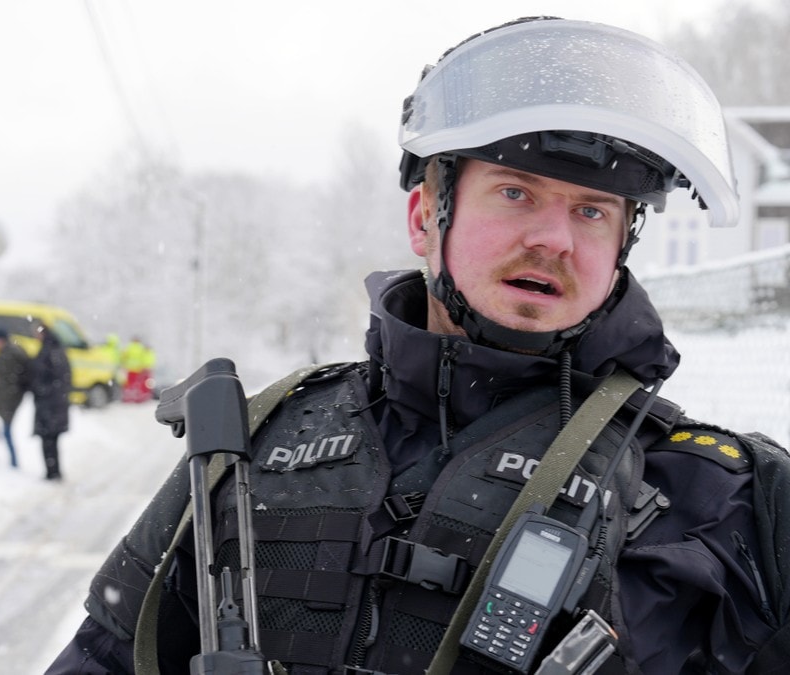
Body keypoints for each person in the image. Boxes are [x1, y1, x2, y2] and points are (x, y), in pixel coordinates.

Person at [45, 17, 790, 675]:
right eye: (516, 192)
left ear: (621, 246)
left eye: (592, 211)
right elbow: (108, 655)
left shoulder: (722, 499)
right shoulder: (253, 445)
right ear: (425, 216)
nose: (554, 239)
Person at [31, 324, 72, 481]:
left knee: (49, 440)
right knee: (51, 440)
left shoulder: (50, 352)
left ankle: (52, 472)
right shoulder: (55, 350)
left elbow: (56, 378)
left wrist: (41, 390)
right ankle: (53, 471)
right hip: (54, 405)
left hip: (50, 406)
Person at [0, 328, 30, 468]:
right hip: (8, 397)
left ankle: (14, 463)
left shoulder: (9, 354)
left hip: (10, 399)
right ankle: (13, 462)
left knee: (7, 430)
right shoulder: (10, 351)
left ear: (1, 340)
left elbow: (6, 378)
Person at [120, 336, 155, 403]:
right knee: (138, 386)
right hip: (139, 370)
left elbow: (123, 357)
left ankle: (128, 397)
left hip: (130, 370)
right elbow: (145, 359)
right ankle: (138, 398)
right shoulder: (141, 348)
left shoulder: (128, 347)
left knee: (130, 386)